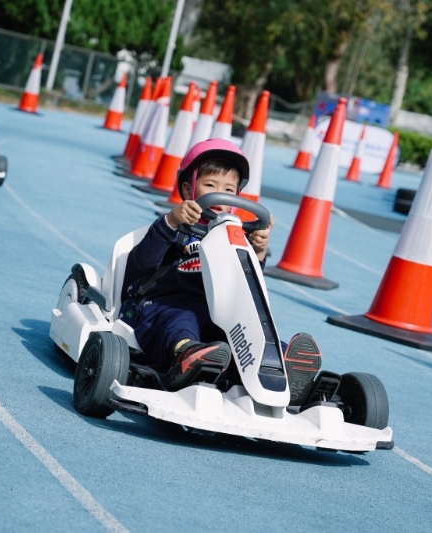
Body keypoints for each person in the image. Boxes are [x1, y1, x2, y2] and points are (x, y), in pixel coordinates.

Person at [121, 138, 322, 404]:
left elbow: (248, 284)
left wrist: (258, 251)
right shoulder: (175, 227)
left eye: (229, 189)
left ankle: (285, 365)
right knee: (182, 322)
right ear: (189, 188)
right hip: (165, 305)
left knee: (250, 330)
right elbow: (143, 262)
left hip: (219, 314)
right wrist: (170, 221)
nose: (221, 194)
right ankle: (187, 355)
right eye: (211, 186)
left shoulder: (235, 233)